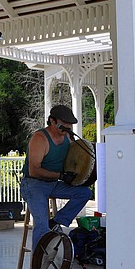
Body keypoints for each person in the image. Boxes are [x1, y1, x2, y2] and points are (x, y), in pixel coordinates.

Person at [20, 104, 93, 256]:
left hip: (53, 184)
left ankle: (56, 221)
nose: (68, 126)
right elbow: (34, 171)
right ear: (52, 121)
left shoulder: (67, 137)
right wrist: (60, 176)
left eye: (70, 124)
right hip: (33, 184)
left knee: (84, 193)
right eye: (64, 123)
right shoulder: (40, 138)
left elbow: (74, 158)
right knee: (41, 224)